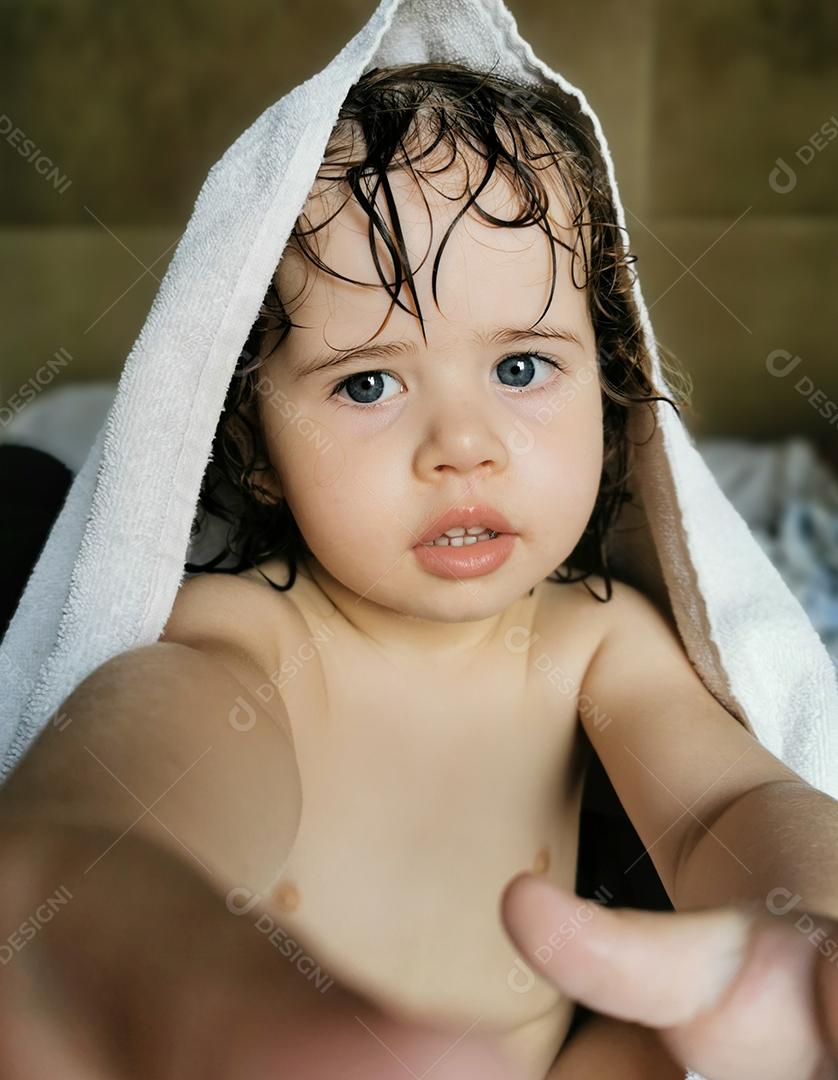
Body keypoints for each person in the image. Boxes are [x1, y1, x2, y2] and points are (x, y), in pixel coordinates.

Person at [1, 62, 836, 1078]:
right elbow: (117, 814)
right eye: (368, 382)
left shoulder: (594, 643)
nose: (462, 446)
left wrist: (810, 915)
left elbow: (724, 810)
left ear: (614, 385)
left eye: (521, 367)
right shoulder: (242, 642)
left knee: (657, 1031)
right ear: (258, 447)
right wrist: (122, 931)